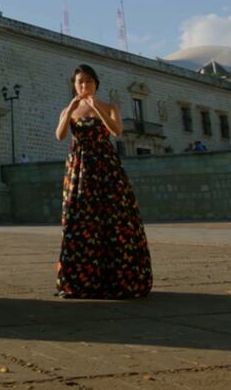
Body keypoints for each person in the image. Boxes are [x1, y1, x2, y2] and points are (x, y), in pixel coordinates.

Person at [54, 64, 152, 299]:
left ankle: (119, 279)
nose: (84, 85)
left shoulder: (110, 107)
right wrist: (69, 110)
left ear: (96, 83)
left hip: (106, 167)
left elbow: (116, 131)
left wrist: (95, 106)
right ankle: (80, 281)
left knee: (115, 219)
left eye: (88, 81)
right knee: (80, 221)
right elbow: (60, 135)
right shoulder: (68, 110)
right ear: (74, 85)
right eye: (79, 81)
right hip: (79, 168)